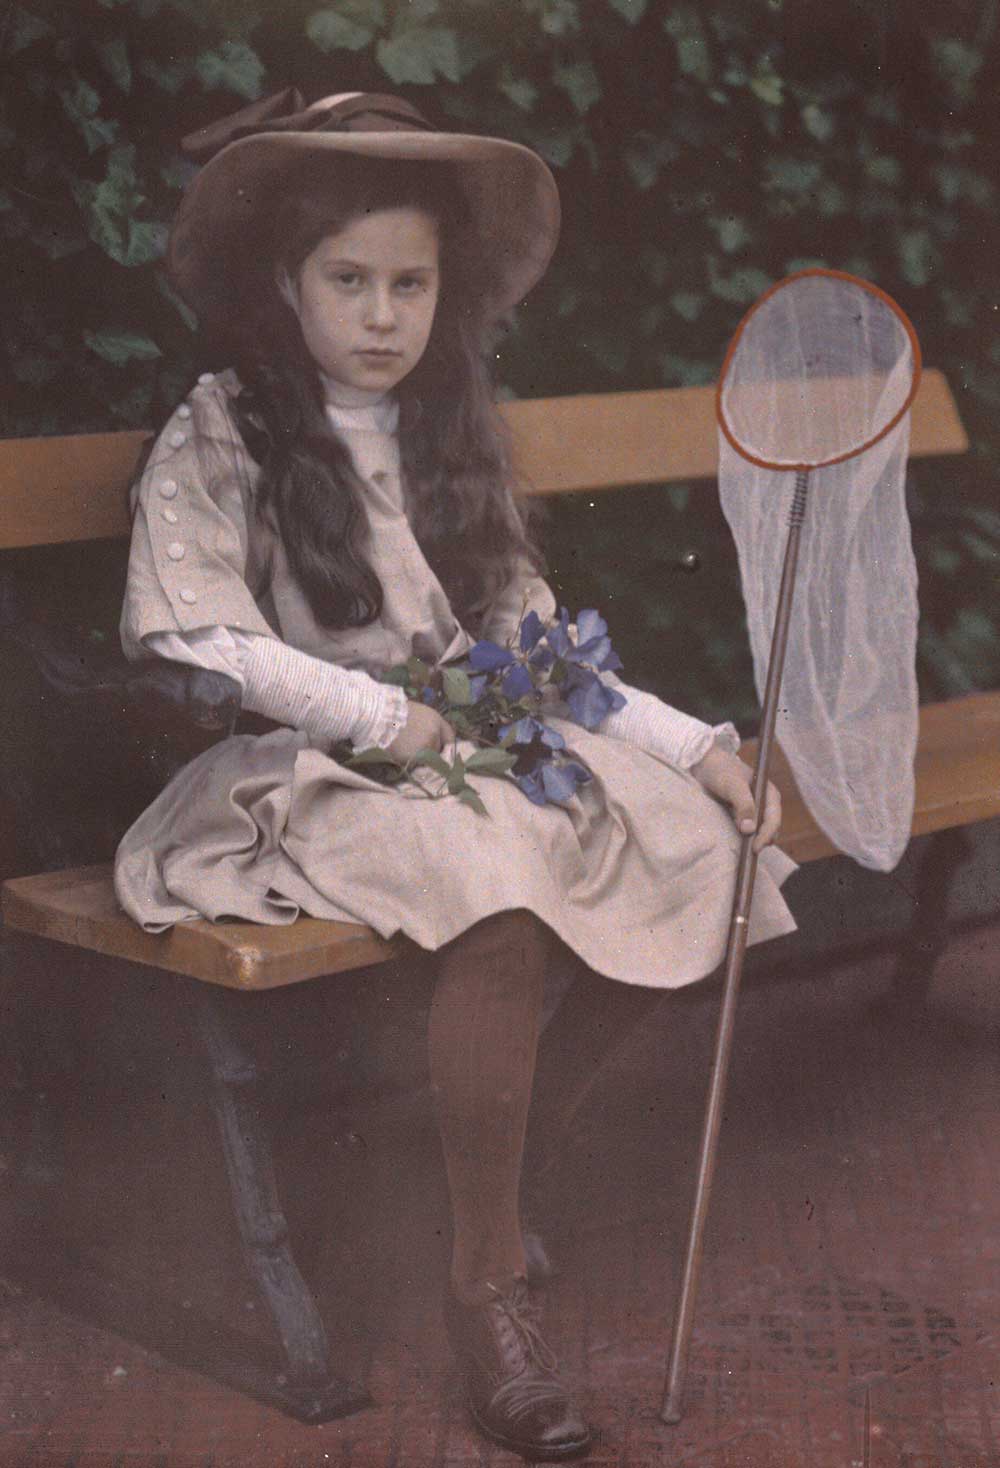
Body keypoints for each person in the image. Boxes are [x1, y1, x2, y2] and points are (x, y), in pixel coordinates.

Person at [114, 88, 796, 1462]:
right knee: (495, 885)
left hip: (457, 755)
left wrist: (698, 749)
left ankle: (488, 1168)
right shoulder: (231, 424)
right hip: (306, 775)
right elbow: (191, 625)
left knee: (712, 850)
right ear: (286, 285)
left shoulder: (444, 438)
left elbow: (538, 653)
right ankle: (486, 1294)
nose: (380, 314)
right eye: (347, 280)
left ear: (446, 293)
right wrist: (379, 718)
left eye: (409, 284)